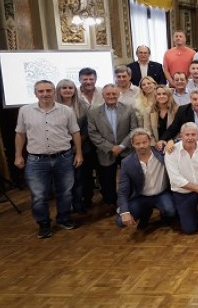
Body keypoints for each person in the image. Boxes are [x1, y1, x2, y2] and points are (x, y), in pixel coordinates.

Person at [15, 80, 83, 238]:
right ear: (35, 93)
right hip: (36, 160)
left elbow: (75, 132)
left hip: (63, 158)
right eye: (41, 91)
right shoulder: (25, 110)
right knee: (39, 195)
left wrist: (79, 153)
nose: (45, 94)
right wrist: (18, 155)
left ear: (54, 92)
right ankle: (44, 223)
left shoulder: (66, 110)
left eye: (48, 90)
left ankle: (64, 218)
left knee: (65, 192)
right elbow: (20, 134)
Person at [87, 84, 138, 211]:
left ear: (118, 94)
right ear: (103, 95)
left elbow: (134, 130)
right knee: (107, 180)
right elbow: (93, 134)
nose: (111, 96)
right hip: (105, 152)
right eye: (108, 94)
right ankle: (110, 204)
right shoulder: (93, 112)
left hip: (126, 150)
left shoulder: (129, 109)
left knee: (129, 178)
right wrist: (111, 147)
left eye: (114, 94)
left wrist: (121, 146)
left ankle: (130, 203)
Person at [116, 128, 176, 229]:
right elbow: (123, 190)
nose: (141, 146)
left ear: (150, 141)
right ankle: (146, 212)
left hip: (162, 194)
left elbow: (183, 140)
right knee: (120, 222)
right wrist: (125, 212)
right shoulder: (127, 163)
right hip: (141, 197)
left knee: (171, 211)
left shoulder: (161, 153)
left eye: (144, 142)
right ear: (132, 144)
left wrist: (171, 141)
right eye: (137, 143)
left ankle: (164, 217)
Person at [55, 79, 90, 214]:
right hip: (60, 149)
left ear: (75, 90)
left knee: (78, 179)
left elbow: (86, 129)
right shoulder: (52, 107)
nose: (67, 90)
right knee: (63, 181)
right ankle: (65, 207)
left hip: (79, 147)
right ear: (58, 90)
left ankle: (78, 203)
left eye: (70, 88)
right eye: (64, 88)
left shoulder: (83, 106)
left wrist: (76, 147)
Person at [163, 88, 198, 156]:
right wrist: (164, 139)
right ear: (190, 99)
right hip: (189, 146)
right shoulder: (183, 110)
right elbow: (174, 128)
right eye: (195, 99)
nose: (197, 102)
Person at [144, 85, 179, 152]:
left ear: (169, 95)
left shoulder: (177, 109)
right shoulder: (149, 110)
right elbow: (147, 131)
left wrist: (171, 142)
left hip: (173, 145)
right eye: (158, 94)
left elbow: (178, 130)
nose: (161, 96)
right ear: (155, 96)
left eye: (164, 94)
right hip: (154, 146)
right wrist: (155, 144)